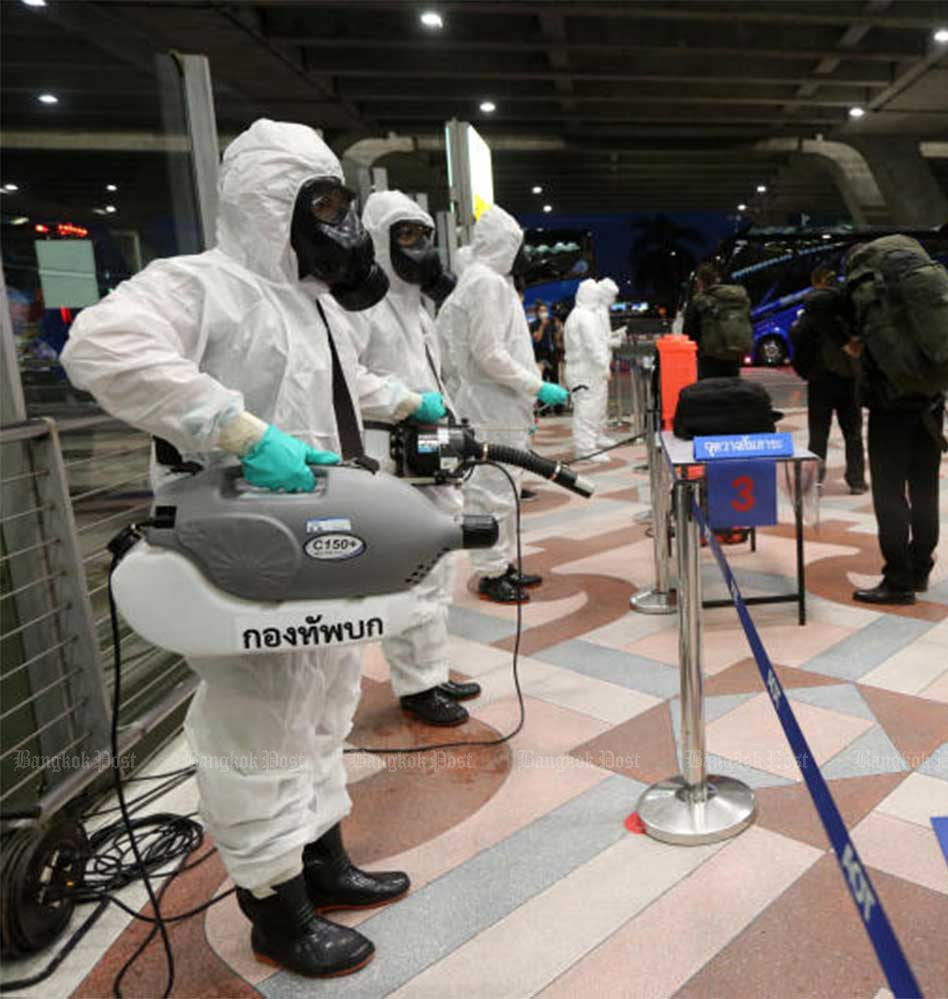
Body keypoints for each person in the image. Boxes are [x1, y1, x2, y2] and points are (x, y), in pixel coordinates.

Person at [61, 119, 440, 977]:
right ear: (272, 203)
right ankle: (274, 904)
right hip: (249, 546)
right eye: (325, 203)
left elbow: (349, 386)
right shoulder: (201, 285)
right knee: (258, 720)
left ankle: (320, 858)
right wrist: (233, 428)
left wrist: (408, 403)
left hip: (328, 537)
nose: (339, 224)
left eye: (343, 203)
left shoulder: (310, 302)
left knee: (326, 698)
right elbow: (101, 346)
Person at [346, 189, 479, 727]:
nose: (419, 246)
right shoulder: (360, 306)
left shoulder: (417, 307)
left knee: (440, 568)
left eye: (424, 235)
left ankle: (432, 669)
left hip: (430, 454)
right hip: (393, 457)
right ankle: (416, 686)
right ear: (379, 239)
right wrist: (405, 402)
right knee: (413, 571)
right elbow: (344, 377)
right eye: (405, 235)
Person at [437, 206, 569, 605]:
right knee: (491, 490)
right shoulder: (486, 284)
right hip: (491, 405)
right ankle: (490, 571)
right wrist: (537, 386)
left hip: (499, 405)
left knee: (505, 486)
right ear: (504, 244)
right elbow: (489, 354)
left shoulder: (485, 281)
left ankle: (503, 562)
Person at [847, 248, 946, 606]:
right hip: (931, 405)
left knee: (889, 493)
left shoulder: (873, 298)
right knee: (924, 488)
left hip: (890, 407)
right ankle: (920, 566)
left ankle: (898, 579)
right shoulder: (923, 297)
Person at [791, 265, 867, 493]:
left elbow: (797, 335)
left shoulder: (814, 308)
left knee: (818, 434)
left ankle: (815, 482)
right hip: (849, 377)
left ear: (817, 282)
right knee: (853, 433)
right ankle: (857, 481)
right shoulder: (849, 303)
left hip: (820, 379)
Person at [563, 277, 624, 462]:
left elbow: (597, 341)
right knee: (587, 410)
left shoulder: (579, 314)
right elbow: (592, 346)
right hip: (586, 370)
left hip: (585, 369)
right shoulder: (585, 316)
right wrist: (603, 365)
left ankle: (589, 443)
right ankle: (585, 449)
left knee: (592, 408)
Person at [681, 262, 747, 380]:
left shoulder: (699, 301)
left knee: (711, 392)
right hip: (733, 354)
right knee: (732, 389)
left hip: (709, 357)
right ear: (717, 279)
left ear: (700, 282)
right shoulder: (734, 298)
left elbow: (688, 331)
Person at [531, 301, 562, 400]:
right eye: (541, 311)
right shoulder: (534, 324)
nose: (544, 313)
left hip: (552, 353)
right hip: (541, 354)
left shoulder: (551, 322)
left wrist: (558, 330)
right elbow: (537, 338)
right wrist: (542, 326)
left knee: (555, 379)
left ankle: (557, 406)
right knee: (543, 381)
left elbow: (556, 337)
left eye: (545, 310)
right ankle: (544, 407)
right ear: (537, 313)